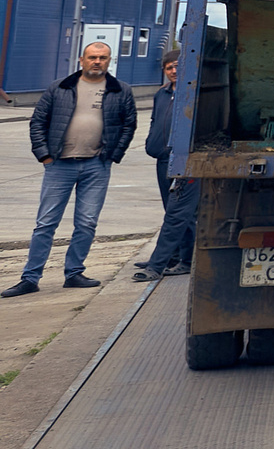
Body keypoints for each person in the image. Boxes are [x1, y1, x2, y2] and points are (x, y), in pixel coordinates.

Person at [3, 40, 139, 297]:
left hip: (96, 165)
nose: (97, 61)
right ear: (81, 60)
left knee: (87, 222)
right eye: (92, 57)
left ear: (109, 61)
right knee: (45, 223)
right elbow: (38, 121)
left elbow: (129, 125)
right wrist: (44, 155)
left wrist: (113, 155)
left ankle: (74, 273)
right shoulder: (60, 87)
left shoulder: (121, 90)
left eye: (102, 58)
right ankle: (30, 278)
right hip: (60, 165)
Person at [136, 44, 197, 281]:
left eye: (177, 67)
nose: (173, 71)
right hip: (163, 159)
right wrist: (152, 143)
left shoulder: (191, 92)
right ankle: (175, 256)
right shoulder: (161, 94)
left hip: (183, 161)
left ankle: (170, 262)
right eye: (169, 67)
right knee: (170, 210)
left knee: (178, 212)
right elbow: (154, 121)